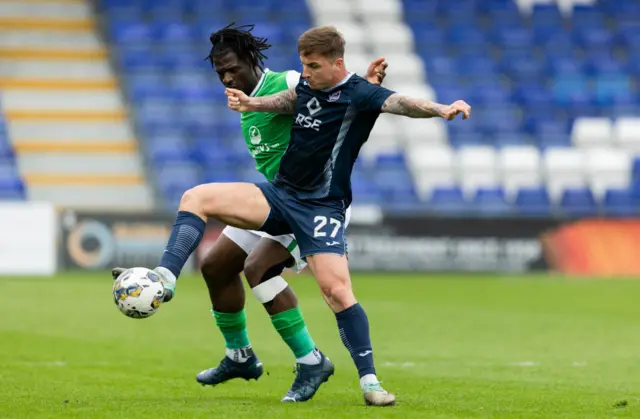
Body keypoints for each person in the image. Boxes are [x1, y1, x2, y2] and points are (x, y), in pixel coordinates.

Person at [114, 26, 470, 406]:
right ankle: (201, 317)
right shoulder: (297, 87)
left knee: (295, 280)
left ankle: (341, 372)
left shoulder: (318, 84)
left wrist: (441, 109)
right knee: (213, 251)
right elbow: (292, 101)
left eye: (313, 66)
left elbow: (397, 103)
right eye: (220, 73)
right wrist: (252, 104)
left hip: (319, 207)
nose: (226, 78)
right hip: (280, 196)